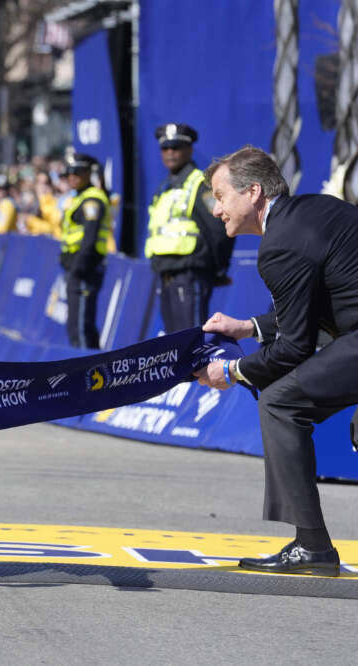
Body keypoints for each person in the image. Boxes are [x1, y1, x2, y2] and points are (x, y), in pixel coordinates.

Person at [196, 145, 358, 576]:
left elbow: (295, 347)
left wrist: (229, 372)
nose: (216, 210)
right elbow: (315, 306)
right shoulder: (312, 212)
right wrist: (247, 327)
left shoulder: (279, 245)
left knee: (280, 402)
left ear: (252, 192)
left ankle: (313, 547)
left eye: (220, 195)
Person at [146, 123, 234, 332]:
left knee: (190, 339)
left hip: (190, 273)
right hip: (166, 274)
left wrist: (218, 270)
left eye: (176, 147)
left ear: (189, 149)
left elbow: (220, 229)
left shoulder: (199, 183)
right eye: (165, 148)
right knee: (173, 342)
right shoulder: (165, 187)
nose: (170, 153)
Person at [59, 153, 112, 349]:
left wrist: (78, 269)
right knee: (78, 326)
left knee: (80, 327)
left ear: (88, 173)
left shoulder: (92, 200)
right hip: (77, 268)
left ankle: (86, 373)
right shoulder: (79, 197)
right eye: (68, 173)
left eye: (77, 172)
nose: (71, 176)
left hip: (85, 269)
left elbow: (89, 240)